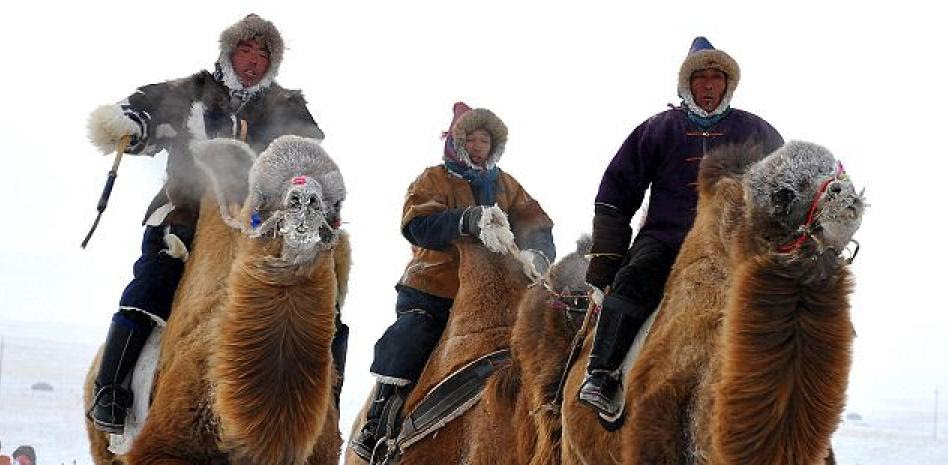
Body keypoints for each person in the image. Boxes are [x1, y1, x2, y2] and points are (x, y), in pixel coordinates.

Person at [85, 14, 348, 434]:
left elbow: (305, 153)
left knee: (322, 287)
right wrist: (131, 124)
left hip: (259, 224)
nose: (254, 61)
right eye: (246, 50)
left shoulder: (286, 106)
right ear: (229, 52)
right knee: (155, 278)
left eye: (264, 54)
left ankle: (325, 405)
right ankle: (111, 389)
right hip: (186, 211)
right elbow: (144, 110)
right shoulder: (192, 91)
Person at [577, 37, 785, 418]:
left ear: (728, 85)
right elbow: (615, 193)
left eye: (716, 78)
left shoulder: (757, 131)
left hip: (734, 243)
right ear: (686, 84)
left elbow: (782, 190)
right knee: (632, 279)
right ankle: (602, 374)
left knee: (781, 298)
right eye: (700, 78)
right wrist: (606, 263)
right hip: (666, 238)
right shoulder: (657, 130)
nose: (708, 85)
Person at [349, 103, 556, 460]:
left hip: (503, 295)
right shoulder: (433, 180)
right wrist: (465, 221)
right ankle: (378, 422)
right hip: (436, 287)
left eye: (485, 140)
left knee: (548, 338)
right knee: (409, 336)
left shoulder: (507, 185)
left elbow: (535, 222)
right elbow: (417, 224)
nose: (479, 147)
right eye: (472, 139)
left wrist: (538, 253)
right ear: (457, 142)